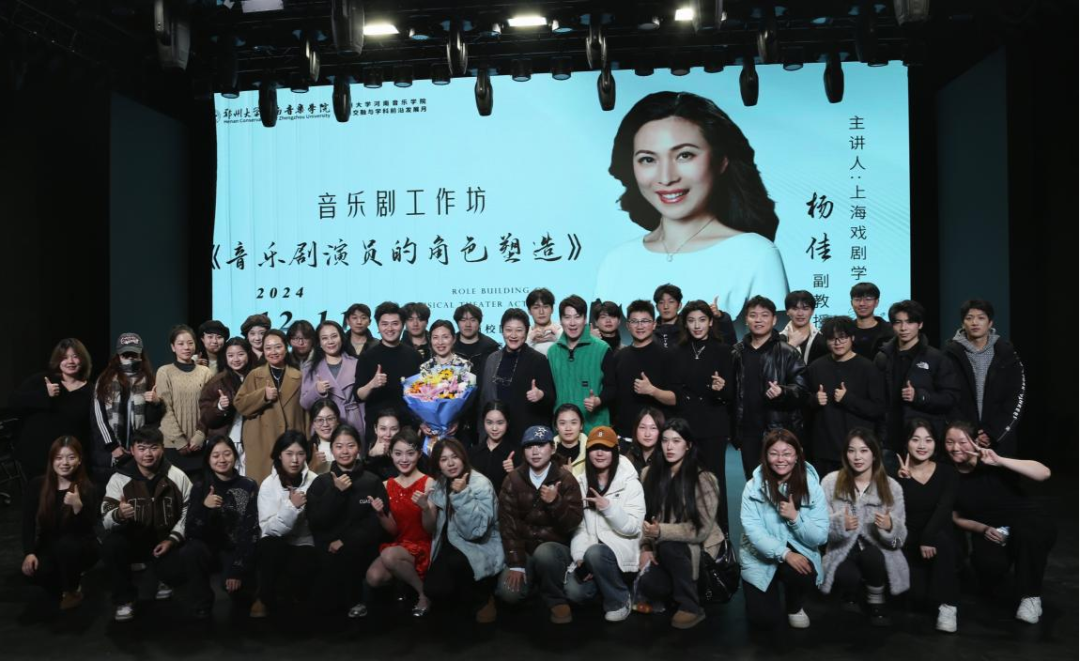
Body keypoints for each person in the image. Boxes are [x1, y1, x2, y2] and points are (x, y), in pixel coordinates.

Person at [596, 91, 788, 315]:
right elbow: (597, 337)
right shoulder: (616, 261)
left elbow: (777, 336)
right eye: (648, 159)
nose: (666, 178)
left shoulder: (756, 255)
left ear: (721, 160)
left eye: (684, 155)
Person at [946, 421, 1055, 624]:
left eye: (962, 441)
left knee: (1027, 535)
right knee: (989, 567)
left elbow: (1044, 473)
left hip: (1028, 520)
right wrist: (983, 528)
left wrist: (1000, 461)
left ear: (975, 441)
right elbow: (955, 516)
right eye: (949, 442)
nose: (955, 447)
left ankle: (1030, 596)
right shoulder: (948, 474)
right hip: (995, 529)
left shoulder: (993, 460)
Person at [637, 419, 724, 629]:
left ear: (688, 445)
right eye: (665, 440)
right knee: (650, 585)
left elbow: (700, 531)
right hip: (663, 548)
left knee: (670, 546)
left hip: (698, 550)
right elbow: (645, 517)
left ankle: (691, 606)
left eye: (676, 441)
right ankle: (675, 592)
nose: (669, 446)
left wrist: (661, 531)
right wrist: (646, 546)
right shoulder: (649, 475)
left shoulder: (704, 479)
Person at [739, 429, 828, 631]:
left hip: (799, 548)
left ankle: (794, 605)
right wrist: (785, 554)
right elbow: (753, 532)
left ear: (798, 455)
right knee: (763, 619)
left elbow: (820, 537)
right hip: (760, 555)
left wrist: (795, 518)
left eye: (787, 453)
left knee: (803, 572)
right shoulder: (752, 486)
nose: (780, 460)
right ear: (765, 455)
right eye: (774, 453)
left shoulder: (812, 486)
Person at [495, 425, 584, 623]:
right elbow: (508, 526)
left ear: (552, 449)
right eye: (529, 446)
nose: (535, 451)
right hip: (524, 551)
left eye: (541, 445)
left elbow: (573, 523)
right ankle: (533, 584)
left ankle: (554, 597)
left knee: (545, 554)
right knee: (508, 594)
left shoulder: (566, 479)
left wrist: (556, 502)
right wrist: (516, 564)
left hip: (555, 551)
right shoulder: (512, 479)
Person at [100, 426, 190, 622]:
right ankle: (125, 599)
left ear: (162, 449)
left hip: (165, 541)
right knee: (111, 545)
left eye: (154, 447)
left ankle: (165, 579)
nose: (148, 454)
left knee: (182, 564)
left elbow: (188, 512)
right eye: (141, 448)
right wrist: (118, 514)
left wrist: (173, 539)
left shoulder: (177, 476)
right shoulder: (119, 478)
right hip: (133, 541)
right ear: (132, 450)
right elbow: (105, 518)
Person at [819, 429, 908, 626]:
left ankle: (876, 597)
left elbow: (898, 541)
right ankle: (852, 591)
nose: (857, 457)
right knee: (846, 576)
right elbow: (820, 531)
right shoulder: (830, 482)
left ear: (874, 454)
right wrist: (839, 525)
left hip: (879, 553)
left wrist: (890, 527)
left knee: (872, 557)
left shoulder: (891, 487)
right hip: (842, 549)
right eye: (851, 451)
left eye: (864, 450)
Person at [307, 424, 390, 617]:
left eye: (350, 445)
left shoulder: (372, 481)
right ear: (332, 449)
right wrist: (336, 492)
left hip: (360, 547)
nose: (345, 451)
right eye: (339, 446)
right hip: (328, 548)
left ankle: (359, 601)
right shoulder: (321, 482)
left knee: (352, 556)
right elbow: (316, 520)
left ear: (359, 448)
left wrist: (345, 540)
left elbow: (375, 523)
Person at [567, 426, 645, 622]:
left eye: (606, 448)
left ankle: (620, 600)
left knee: (595, 553)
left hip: (621, 554)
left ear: (615, 451)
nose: (600, 453)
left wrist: (608, 508)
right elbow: (580, 528)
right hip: (592, 555)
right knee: (574, 592)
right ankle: (607, 586)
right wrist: (580, 557)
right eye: (595, 448)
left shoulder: (630, 483)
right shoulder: (581, 483)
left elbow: (634, 527)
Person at [421, 438, 504, 623]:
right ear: (438, 464)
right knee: (433, 589)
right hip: (450, 542)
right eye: (444, 460)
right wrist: (425, 508)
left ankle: (485, 596)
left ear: (463, 458)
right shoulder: (440, 483)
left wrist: (463, 494)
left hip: (479, 544)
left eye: (455, 457)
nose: (450, 463)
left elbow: (475, 532)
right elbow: (430, 528)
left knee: (456, 563)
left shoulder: (481, 483)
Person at [874, 300, 961, 468]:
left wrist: (920, 396)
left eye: (909, 322)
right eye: (898, 322)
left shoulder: (936, 358)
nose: (903, 328)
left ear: (920, 324)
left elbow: (951, 398)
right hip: (888, 440)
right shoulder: (882, 357)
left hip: (923, 440)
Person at [732, 296, 810, 478]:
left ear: (774, 320)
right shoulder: (736, 352)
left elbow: (803, 391)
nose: (758, 320)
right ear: (746, 320)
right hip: (748, 433)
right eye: (753, 315)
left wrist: (783, 392)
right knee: (753, 484)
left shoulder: (787, 352)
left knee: (782, 484)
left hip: (779, 431)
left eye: (764, 315)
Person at [182, 436, 259, 618]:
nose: (222, 460)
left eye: (227, 454)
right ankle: (202, 602)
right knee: (190, 551)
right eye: (216, 455)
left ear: (235, 456)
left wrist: (237, 569)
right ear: (208, 460)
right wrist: (205, 507)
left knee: (240, 596)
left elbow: (251, 530)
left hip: (234, 548)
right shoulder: (200, 486)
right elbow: (190, 530)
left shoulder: (248, 485)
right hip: (208, 548)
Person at [672, 300, 733, 528]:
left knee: (715, 481)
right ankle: (689, 534)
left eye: (701, 320)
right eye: (691, 320)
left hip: (713, 424)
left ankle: (721, 537)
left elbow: (731, 393)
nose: (697, 325)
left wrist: (721, 389)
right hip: (685, 426)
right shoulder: (678, 351)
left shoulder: (723, 350)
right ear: (685, 324)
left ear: (710, 322)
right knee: (686, 481)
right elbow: (674, 388)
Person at [895, 419, 960, 633]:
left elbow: (944, 509)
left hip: (938, 538)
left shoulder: (947, 472)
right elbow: (895, 517)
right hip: (910, 541)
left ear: (935, 444)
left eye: (928, 440)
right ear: (907, 443)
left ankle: (949, 606)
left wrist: (927, 538)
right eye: (915, 439)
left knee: (943, 540)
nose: (922, 446)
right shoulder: (896, 475)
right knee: (918, 597)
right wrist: (902, 481)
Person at [21, 436, 98, 610]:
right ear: (51, 460)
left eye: (71, 457)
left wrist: (78, 507)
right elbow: (27, 523)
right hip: (50, 543)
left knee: (66, 547)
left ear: (79, 460)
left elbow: (88, 528)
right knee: (34, 572)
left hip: (80, 544)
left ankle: (72, 589)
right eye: (59, 458)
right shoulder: (37, 485)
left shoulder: (87, 487)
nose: (65, 463)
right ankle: (64, 582)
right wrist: (29, 553)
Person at [944, 299, 1026, 456]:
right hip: (962, 439)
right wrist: (968, 432)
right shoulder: (949, 355)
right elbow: (947, 397)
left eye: (981, 318)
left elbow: (1016, 397)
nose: (975, 322)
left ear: (990, 323)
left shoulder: (1007, 354)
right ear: (962, 323)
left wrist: (993, 432)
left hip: (999, 438)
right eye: (969, 318)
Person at [364, 429, 433, 617]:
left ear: (419, 454)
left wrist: (426, 508)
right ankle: (404, 581)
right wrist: (380, 514)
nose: (404, 459)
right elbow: (394, 530)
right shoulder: (387, 485)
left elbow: (431, 529)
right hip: (400, 545)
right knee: (373, 577)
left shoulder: (428, 483)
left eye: (410, 453)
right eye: (398, 453)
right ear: (390, 454)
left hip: (423, 544)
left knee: (388, 555)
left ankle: (423, 594)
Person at [807, 315, 886, 477]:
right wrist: (814, 400)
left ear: (852, 338)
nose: (837, 343)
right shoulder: (816, 367)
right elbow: (803, 405)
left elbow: (878, 409)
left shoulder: (868, 368)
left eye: (842, 338)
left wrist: (848, 399)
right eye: (832, 339)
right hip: (824, 451)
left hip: (858, 451)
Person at [251, 431, 318, 618]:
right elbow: (268, 527)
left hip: (304, 541)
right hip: (276, 541)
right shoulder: (268, 484)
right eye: (289, 453)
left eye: (300, 454)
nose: (295, 460)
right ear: (279, 455)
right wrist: (291, 507)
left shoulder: (315, 481)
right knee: (269, 547)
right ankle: (262, 598)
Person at [10, 338, 94, 479]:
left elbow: (90, 428)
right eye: (64, 357)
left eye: (75, 356)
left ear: (83, 359)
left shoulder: (91, 390)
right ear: (58, 360)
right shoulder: (42, 379)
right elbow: (13, 401)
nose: (70, 361)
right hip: (35, 457)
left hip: (68, 461)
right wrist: (44, 395)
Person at [233, 329, 308, 486]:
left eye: (278, 347)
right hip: (261, 442)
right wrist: (263, 395)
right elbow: (240, 404)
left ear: (286, 348)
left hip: (290, 442)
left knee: (291, 489)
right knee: (261, 489)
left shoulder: (298, 376)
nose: (273, 352)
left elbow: (305, 414)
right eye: (268, 348)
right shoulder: (255, 375)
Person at [91, 333, 162, 486]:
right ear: (118, 355)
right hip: (110, 454)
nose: (130, 358)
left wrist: (156, 403)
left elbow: (152, 422)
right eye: (126, 354)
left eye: (134, 354)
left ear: (141, 355)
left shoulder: (149, 379)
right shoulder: (104, 380)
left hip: (139, 453)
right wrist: (113, 447)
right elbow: (99, 418)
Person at [600, 300, 678, 439]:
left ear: (654, 324)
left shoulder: (668, 356)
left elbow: (675, 399)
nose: (640, 326)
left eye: (645, 321)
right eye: (634, 321)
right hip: (624, 434)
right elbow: (613, 396)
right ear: (628, 326)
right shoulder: (619, 356)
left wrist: (652, 391)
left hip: (656, 436)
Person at [478, 308, 556, 445]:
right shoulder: (492, 359)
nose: (513, 335)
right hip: (496, 434)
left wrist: (540, 395)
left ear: (526, 331)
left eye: (519, 330)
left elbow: (551, 397)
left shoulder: (538, 360)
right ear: (502, 331)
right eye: (508, 330)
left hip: (526, 433)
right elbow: (484, 399)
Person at [354, 302, 423, 438]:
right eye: (384, 324)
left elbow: (422, 395)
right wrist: (372, 384)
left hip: (408, 428)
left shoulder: (414, 356)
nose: (390, 329)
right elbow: (358, 396)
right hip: (378, 430)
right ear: (378, 326)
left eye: (395, 324)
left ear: (403, 325)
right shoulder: (367, 357)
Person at [548, 295, 612, 432]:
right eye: (567, 317)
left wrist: (598, 400)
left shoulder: (602, 348)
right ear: (561, 320)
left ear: (585, 319)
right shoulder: (552, 352)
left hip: (595, 429)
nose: (572, 323)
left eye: (577, 317)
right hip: (563, 430)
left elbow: (612, 387)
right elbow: (550, 392)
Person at [157, 324, 213, 475]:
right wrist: (179, 441)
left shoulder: (205, 372)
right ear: (173, 347)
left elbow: (209, 408)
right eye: (181, 344)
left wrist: (200, 435)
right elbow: (164, 409)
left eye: (190, 343)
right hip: (172, 445)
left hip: (199, 444)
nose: (186, 347)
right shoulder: (164, 372)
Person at [198, 337, 253, 475]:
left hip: (251, 440)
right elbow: (206, 418)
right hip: (225, 440)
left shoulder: (257, 378)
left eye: (240, 354)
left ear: (248, 354)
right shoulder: (217, 382)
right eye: (230, 355)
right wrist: (219, 407)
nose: (236, 359)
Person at [301, 320, 364, 433]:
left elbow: (363, 404)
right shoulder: (310, 368)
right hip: (324, 426)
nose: (330, 341)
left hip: (352, 423)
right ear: (319, 343)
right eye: (324, 338)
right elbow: (305, 404)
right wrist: (317, 391)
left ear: (341, 338)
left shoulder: (356, 364)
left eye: (334, 336)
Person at [417, 319, 473, 442]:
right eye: (435, 337)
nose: (440, 342)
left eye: (445, 337)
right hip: (431, 431)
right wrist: (422, 421)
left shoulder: (465, 366)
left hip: (457, 431)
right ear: (430, 340)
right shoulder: (424, 368)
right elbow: (419, 400)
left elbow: (470, 402)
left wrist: (458, 420)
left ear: (453, 339)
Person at [468, 401, 519, 493]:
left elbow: (523, 492)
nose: (494, 428)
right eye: (489, 422)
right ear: (483, 422)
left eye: (500, 423)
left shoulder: (516, 454)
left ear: (507, 422)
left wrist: (513, 472)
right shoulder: (472, 453)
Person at [780, 290, 828, 366]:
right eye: (795, 309)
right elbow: (771, 368)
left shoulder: (823, 340)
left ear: (812, 311)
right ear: (787, 311)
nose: (800, 313)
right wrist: (791, 345)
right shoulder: (776, 340)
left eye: (805, 308)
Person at [452, 303, 500, 375]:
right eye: (463, 320)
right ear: (457, 323)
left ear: (479, 323)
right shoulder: (448, 346)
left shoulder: (491, 348)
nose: (468, 324)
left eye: (473, 320)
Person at [849, 283, 895, 360]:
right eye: (857, 299)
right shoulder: (845, 330)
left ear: (876, 302)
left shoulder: (891, 330)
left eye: (868, 299)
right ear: (851, 303)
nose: (862, 304)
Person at [622, 407, 665, 475]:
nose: (647, 434)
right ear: (636, 430)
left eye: (653, 428)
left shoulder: (666, 458)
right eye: (642, 427)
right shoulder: (625, 456)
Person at [307, 399, 340, 475]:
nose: (325, 424)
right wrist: (313, 464)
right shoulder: (306, 449)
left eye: (330, 419)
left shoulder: (347, 445)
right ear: (313, 424)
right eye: (319, 420)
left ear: (337, 421)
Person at [525, 288, 562, 356]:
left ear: (552, 309)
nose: (541, 312)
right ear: (529, 311)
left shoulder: (562, 330)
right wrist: (529, 340)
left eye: (545, 307)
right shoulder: (525, 334)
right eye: (536, 307)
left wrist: (558, 337)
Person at [553, 403, 588, 473]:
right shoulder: (549, 453)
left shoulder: (590, 450)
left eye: (573, 423)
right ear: (556, 426)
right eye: (562, 423)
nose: (568, 428)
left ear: (581, 425)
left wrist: (570, 476)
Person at [652, 283, 683, 349]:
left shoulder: (688, 329)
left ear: (679, 305)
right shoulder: (650, 331)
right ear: (656, 307)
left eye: (671, 302)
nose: (666, 306)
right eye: (661, 302)